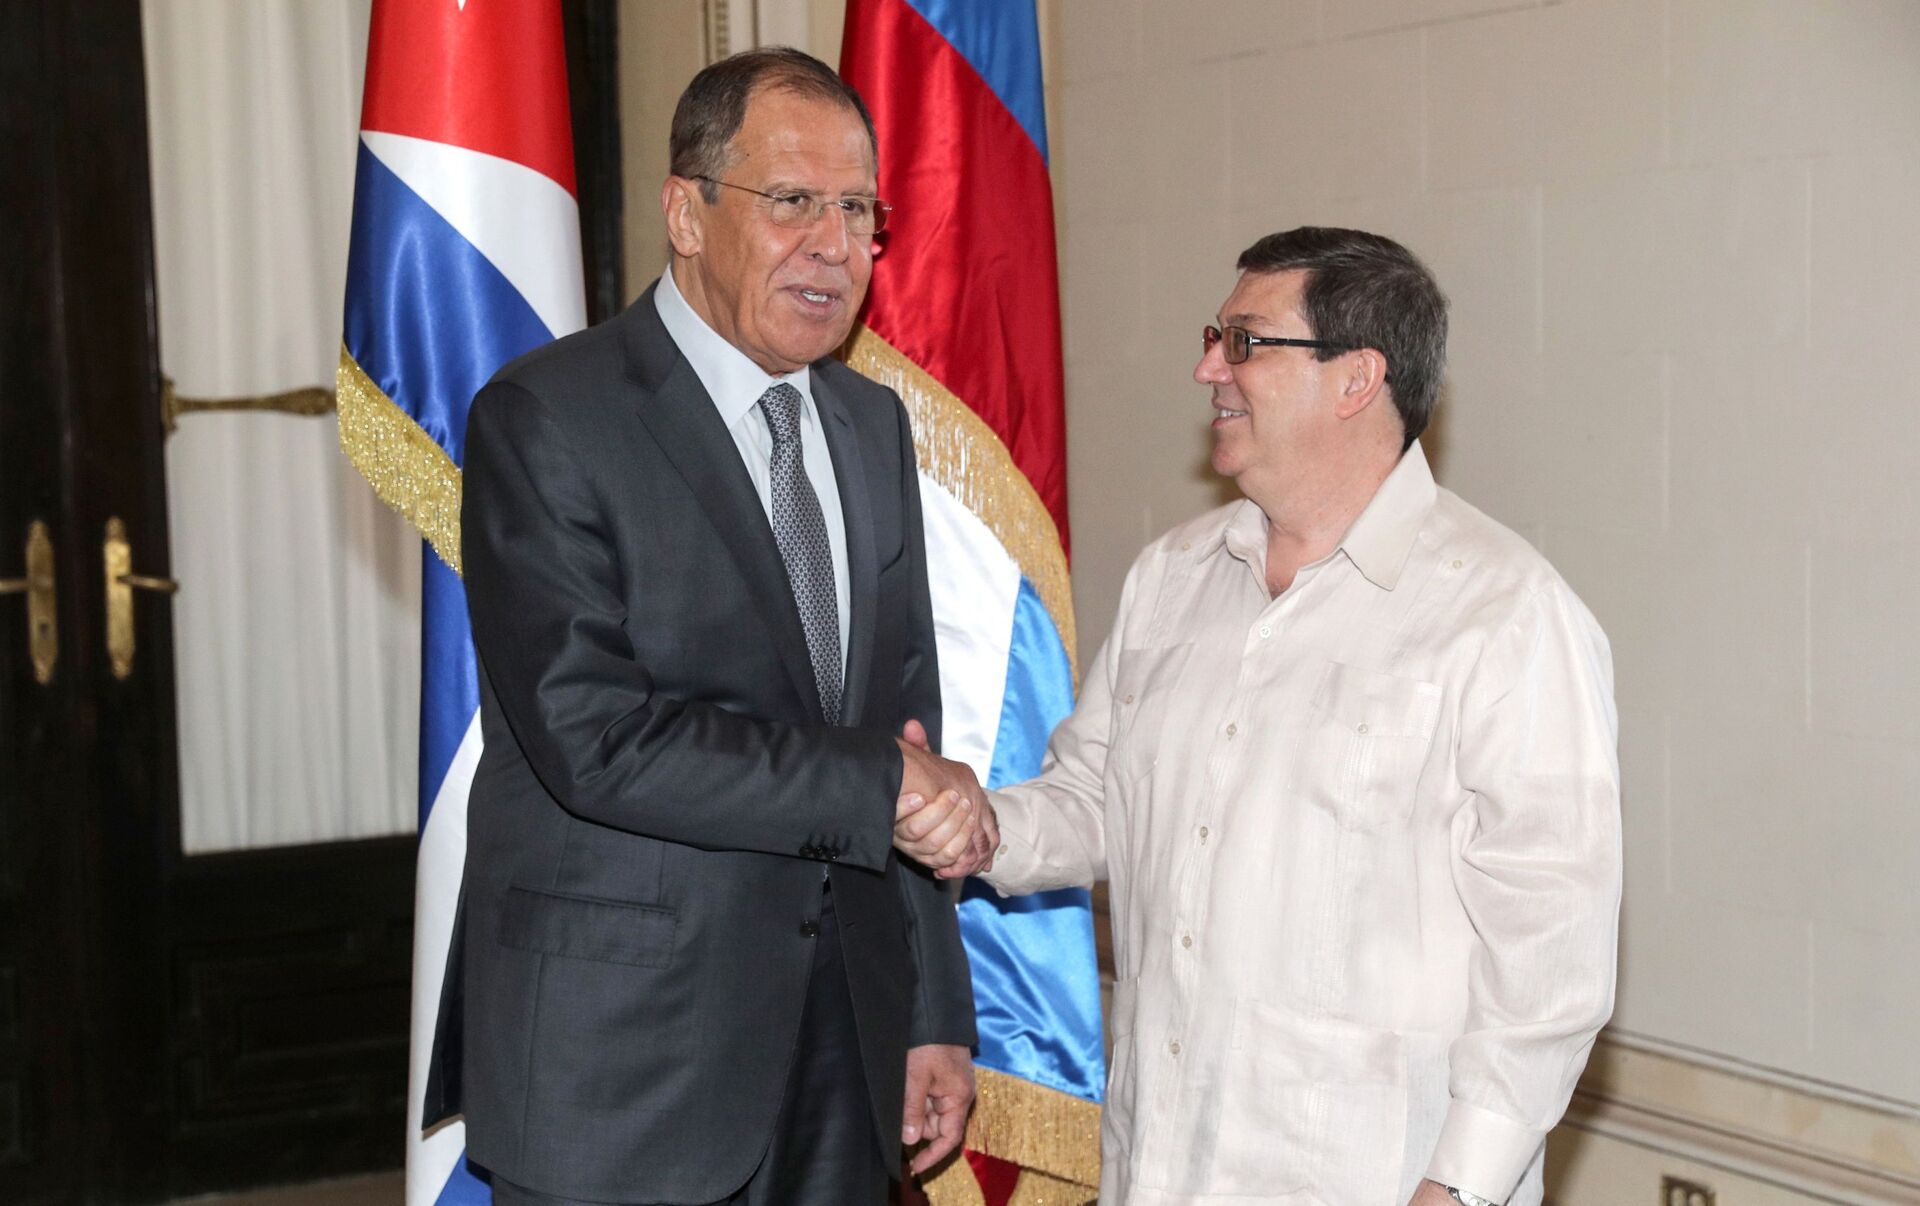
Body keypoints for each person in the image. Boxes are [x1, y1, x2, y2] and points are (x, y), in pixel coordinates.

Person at [913, 227, 1621, 1206]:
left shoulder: (1505, 614)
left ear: (1357, 378)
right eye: (1216, 338)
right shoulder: (1173, 576)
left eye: (1244, 342)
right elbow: (1096, 802)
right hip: (1157, 1172)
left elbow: (1551, 958)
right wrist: (970, 818)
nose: (1209, 368)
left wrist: (1459, 1189)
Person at [433, 47, 993, 1206]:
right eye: (792, 202)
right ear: (686, 215)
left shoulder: (871, 426)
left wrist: (932, 1006)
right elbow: (595, 739)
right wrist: (880, 783)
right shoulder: (548, 418)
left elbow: (905, 724)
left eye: (858, 211)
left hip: (844, 1050)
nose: (834, 247)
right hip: (627, 1061)